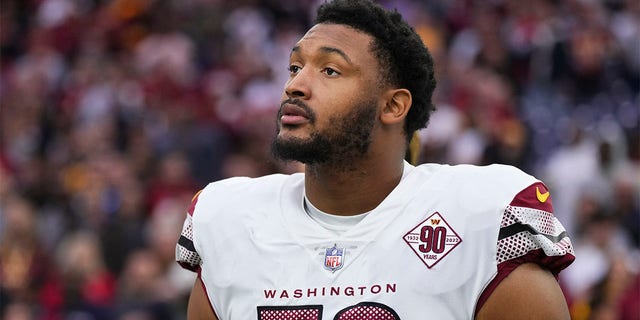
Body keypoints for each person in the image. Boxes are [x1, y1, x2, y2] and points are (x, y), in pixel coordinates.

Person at [176, 0, 575, 318]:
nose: (295, 85)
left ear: (393, 105)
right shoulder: (229, 219)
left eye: (330, 70)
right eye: (295, 66)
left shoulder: (482, 218)